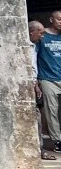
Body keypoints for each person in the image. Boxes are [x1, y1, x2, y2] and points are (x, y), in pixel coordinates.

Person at [37, 11, 61, 158]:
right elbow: (34, 55)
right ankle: (58, 140)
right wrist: (36, 80)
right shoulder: (42, 35)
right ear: (51, 19)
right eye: (59, 19)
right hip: (48, 78)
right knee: (52, 110)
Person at [32, 20, 54, 159]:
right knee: (37, 118)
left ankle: (40, 148)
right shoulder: (27, 47)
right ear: (31, 32)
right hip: (31, 85)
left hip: (35, 84)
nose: (42, 36)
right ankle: (39, 148)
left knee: (39, 117)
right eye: (40, 33)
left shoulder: (34, 46)